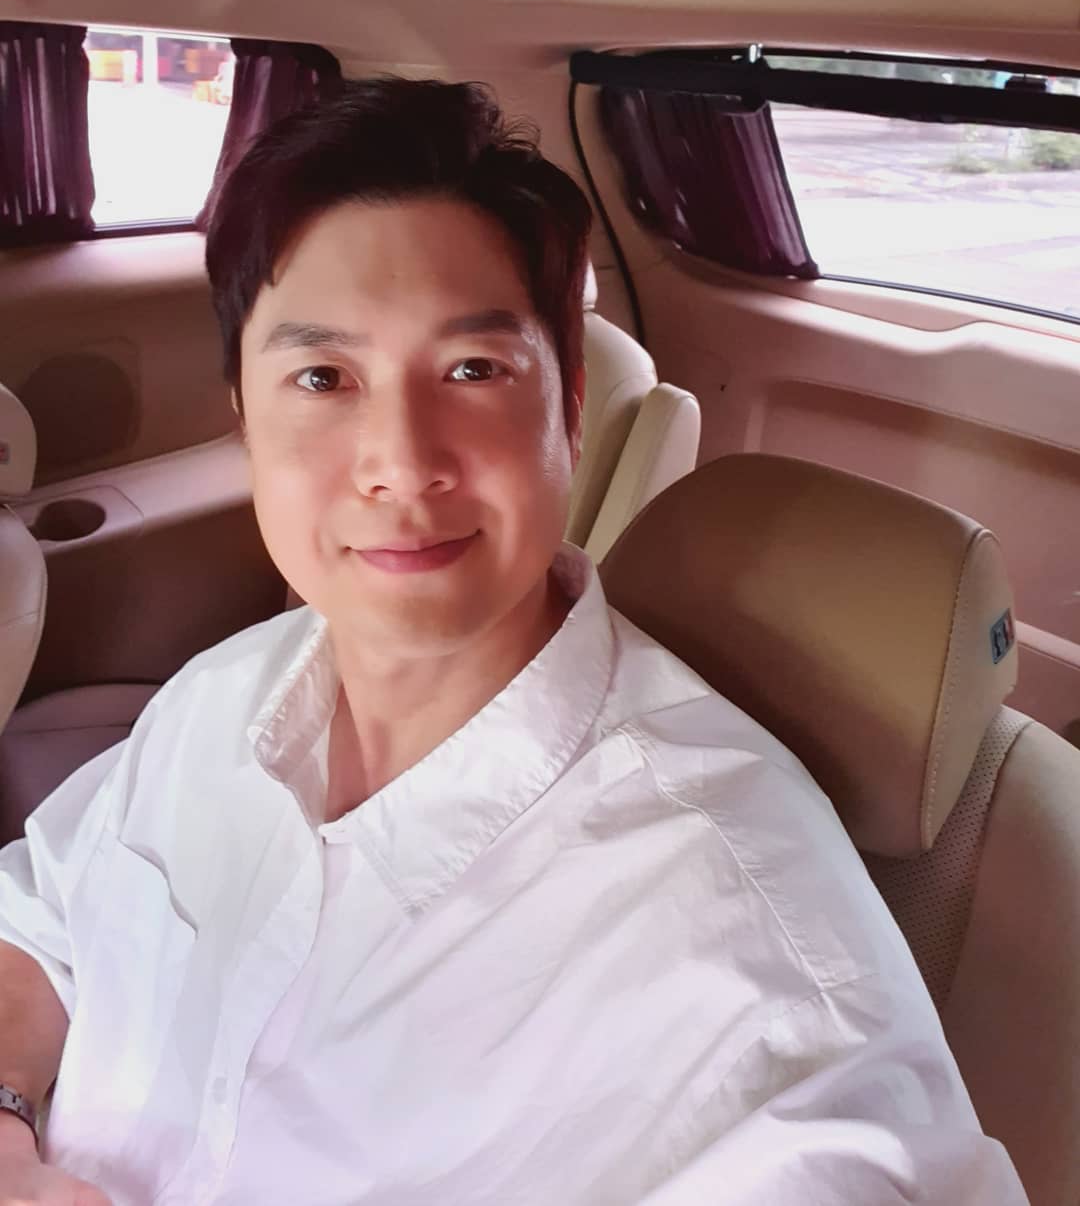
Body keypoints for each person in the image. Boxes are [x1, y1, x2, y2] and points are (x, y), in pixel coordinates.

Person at [0, 79, 1027, 1205]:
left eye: (473, 371)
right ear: (245, 420)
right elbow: (39, 922)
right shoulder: (226, 691)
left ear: (570, 409)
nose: (401, 462)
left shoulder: (744, 951)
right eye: (322, 378)